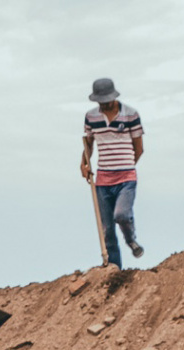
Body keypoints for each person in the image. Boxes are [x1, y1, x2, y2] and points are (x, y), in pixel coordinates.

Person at [80, 77, 145, 267]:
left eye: (107, 100)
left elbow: (138, 148)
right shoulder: (91, 117)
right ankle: (114, 269)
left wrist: (126, 166)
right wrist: (84, 163)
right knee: (107, 230)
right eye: (101, 101)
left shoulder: (131, 114)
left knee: (122, 215)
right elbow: (89, 144)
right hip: (102, 180)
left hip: (126, 178)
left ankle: (131, 240)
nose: (104, 104)